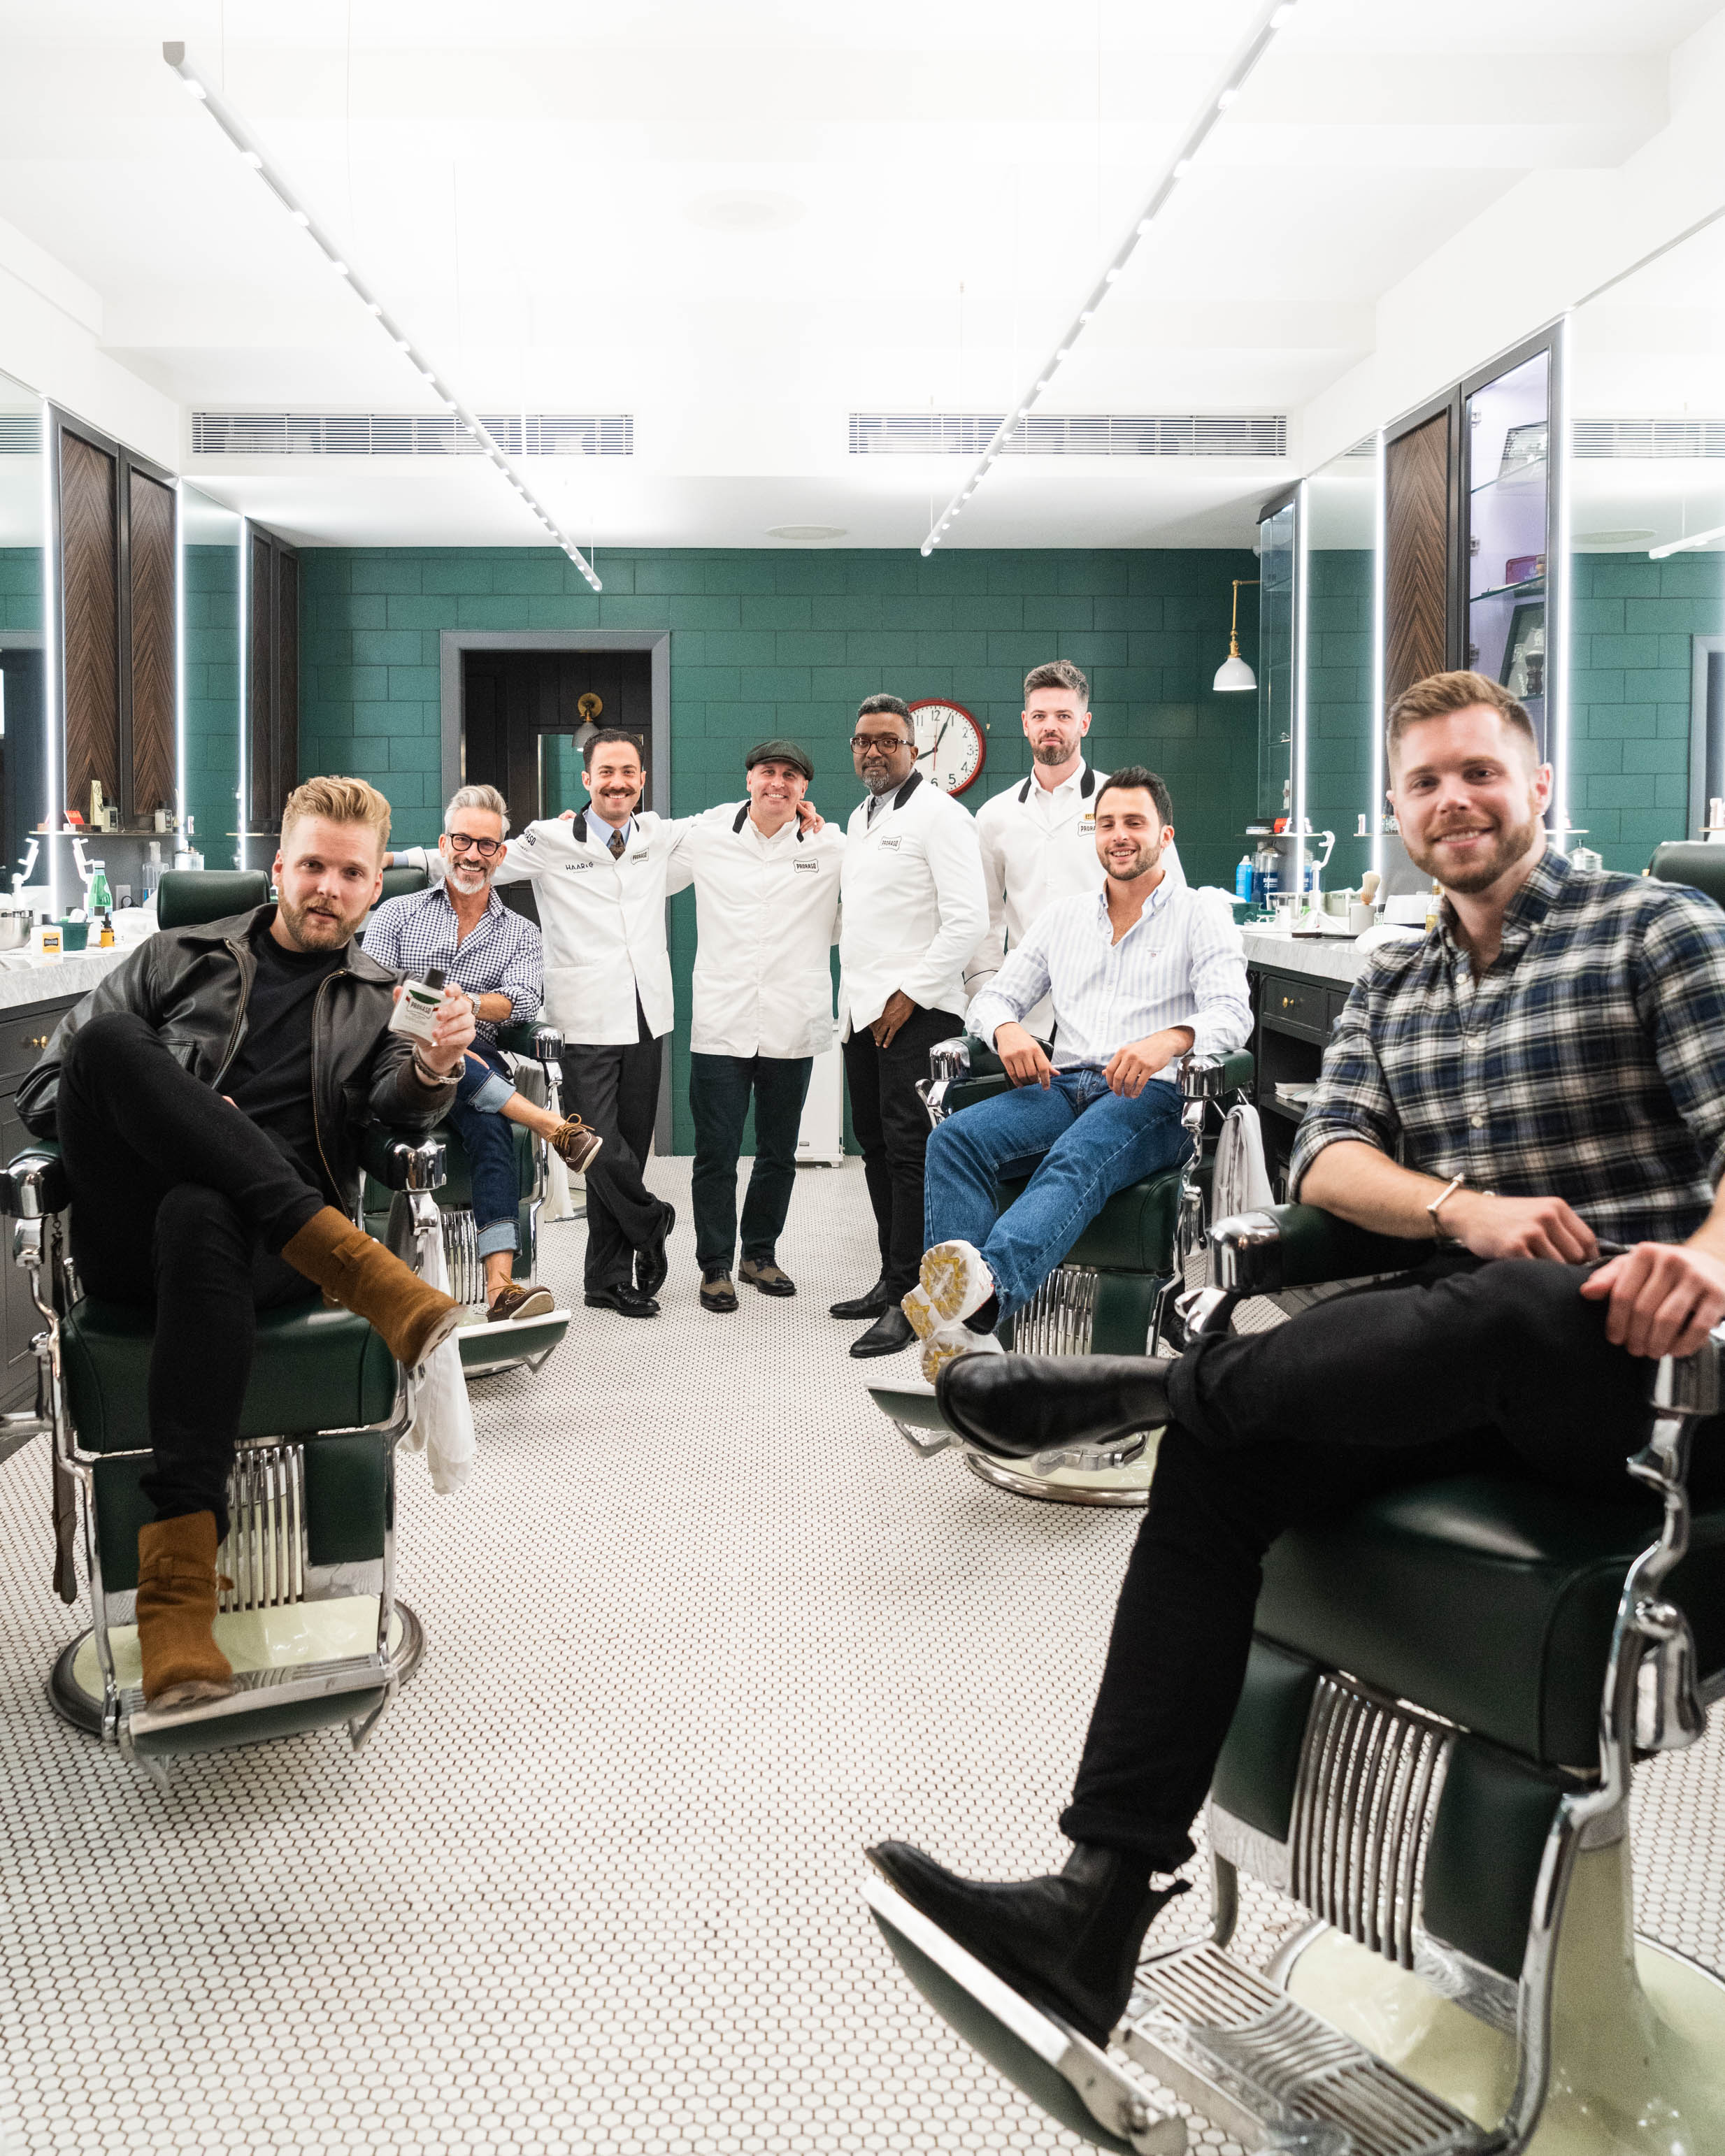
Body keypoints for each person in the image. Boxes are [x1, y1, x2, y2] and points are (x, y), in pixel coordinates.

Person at [864, 668, 1725, 2048]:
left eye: (1480, 772)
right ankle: (1097, 1903)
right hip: (1449, 1359)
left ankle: (1146, 1389)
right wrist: (1460, 1207)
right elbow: (1327, 1159)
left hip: (1650, 1372)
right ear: (1395, 807)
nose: (1454, 800)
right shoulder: (1396, 976)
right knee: (1232, 1448)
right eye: (1426, 781)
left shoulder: (1653, 930)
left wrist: (1709, 1257)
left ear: (1538, 786)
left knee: (1522, 1297)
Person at [17, 777, 474, 1709]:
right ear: (278, 869)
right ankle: (357, 1266)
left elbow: (397, 1106)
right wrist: (184, 1113)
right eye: (312, 866)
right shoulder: (175, 956)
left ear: (374, 886)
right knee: (107, 1043)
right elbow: (47, 1090)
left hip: (260, 1257)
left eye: (350, 874)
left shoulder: (384, 1000)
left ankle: (176, 1604)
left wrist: (433, 1068)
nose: (328, 888)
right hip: (129, 1234)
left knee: (204, 1210)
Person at [903, 767, 1247, 1383]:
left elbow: (1231, 1013)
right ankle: (972, 1336)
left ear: (1164, 835)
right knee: (953, 1139)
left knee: (1077, 1155)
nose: (1119, 835)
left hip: (1154, 1095)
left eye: (1134, 823)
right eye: (1107, 823)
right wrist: (1006, 1031)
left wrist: (1169, 1040)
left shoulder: (1200, 913)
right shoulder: (1063, 918)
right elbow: (993, 997)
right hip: (1066, 1085)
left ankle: (980, 1306)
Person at [363, 783, 602, 1322]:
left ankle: (500, 1289)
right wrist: (431, 1014)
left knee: (486, 1115)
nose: (473, 854)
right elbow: (369, 990)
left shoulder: (519, 932)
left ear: (501, 853)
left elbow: (523, 1000)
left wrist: (465, 1006)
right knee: (444, 1036)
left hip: (474, 1063)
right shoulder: (396, 913)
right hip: (396, 1057)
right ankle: (549, 1124)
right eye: (463, 841)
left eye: (486, 845)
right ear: (444, 844)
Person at [832, 694, 989, 1358]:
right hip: (861, 1012)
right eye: (863, 741)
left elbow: (968, 920)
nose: (874, 751)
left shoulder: (942, 816)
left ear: (913, 748)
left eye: (888, 741)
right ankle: (888, 1279)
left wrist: (909, 995)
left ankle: (911, 1297)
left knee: (909, 1154)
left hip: (916, 1015)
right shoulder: (860, 816)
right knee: (874, 1146)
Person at [665, 739, 845, 1313]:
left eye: (790, 775)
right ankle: (715, 1265)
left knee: (777, 1152)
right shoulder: (708, 835)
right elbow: (643, 856)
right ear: (749, 780)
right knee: (715, 1152)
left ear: (804, 788)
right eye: (768, 772)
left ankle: (759, 1255)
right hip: (723, 1021)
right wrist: (581, 827)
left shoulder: (830, 845)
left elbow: (862, 908)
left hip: (793, 1020)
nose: (778, 782)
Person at [965, 660, 1187, 1035]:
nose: (1050, 726)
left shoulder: (1124, 803)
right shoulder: (995, 815)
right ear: (1025, 723)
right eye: (1040, 716)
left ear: (1084, 723)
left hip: (1114, 1003)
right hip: (1027, 1014)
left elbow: (1171, 898)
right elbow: (984, 918)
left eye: (1064, 716)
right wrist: (993, 1000)